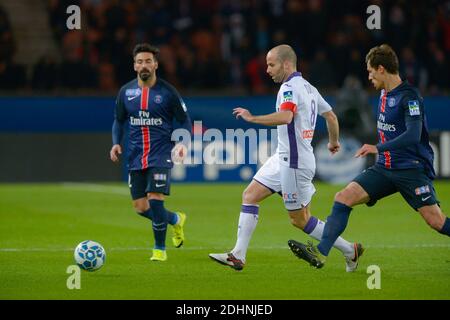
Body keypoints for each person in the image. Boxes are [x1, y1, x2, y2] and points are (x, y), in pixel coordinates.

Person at [289, 44, 450, 269]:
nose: (369, 76)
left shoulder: (410, 97)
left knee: (436, 221)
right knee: (343, 197)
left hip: (411, 169)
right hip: (384, 168)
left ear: (382, 68)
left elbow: (413, 135)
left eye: (371, 71)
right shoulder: (384, 94)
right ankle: (321, 251)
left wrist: (378, 147)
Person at [209, 44, 364, 272]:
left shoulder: (289, 88)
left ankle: (350, 249)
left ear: (287, 64)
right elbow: (330, 116)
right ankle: (237, 255)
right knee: (250, 195)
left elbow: (286, 116)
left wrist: (253, 119)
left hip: (294, 162)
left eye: (271, 64)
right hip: (283, 157)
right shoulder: (309, 88)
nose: (268, 70)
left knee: (300, 220)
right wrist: (333, 142)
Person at [110, 43, 192, 262]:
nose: (144, 65)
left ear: (155, 64)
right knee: (140, 207)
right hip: (136, 156)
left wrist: (182, 142)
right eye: (139, 62)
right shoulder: (126, 92)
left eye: (148, 61)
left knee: (155, 199)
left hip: (161, 154)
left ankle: (159, 250)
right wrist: (116, 143)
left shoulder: (167, 92)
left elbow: (184, 120)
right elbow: (119, 120)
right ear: (134, 66)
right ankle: (175, 219)